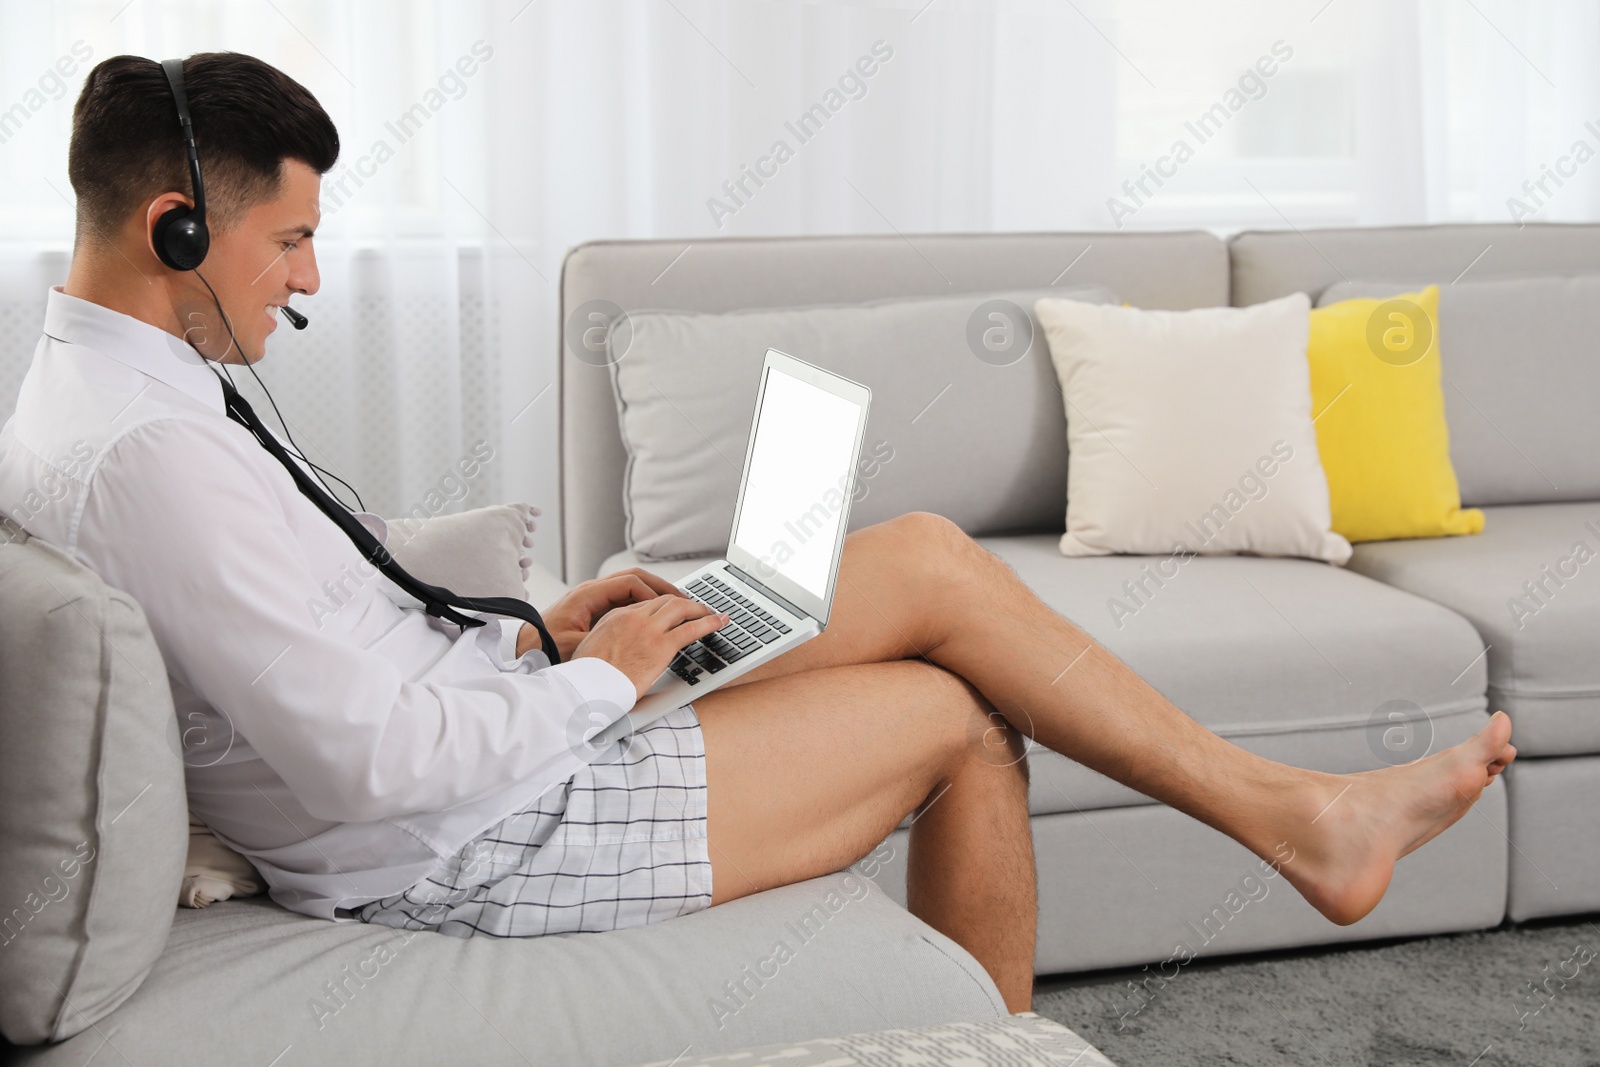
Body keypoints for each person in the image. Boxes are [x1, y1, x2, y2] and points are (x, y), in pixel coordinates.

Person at [0, 52, 1514, 1014]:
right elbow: (363, 767)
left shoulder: (118, 399)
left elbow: (327, 597)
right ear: (175, 231)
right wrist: (603, 686)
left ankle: (1301, 820)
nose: (308, 280)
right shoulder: (146, 456)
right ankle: (1221, 890)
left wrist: (544, 617)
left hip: (499, 718)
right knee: (957, 721)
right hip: (463, 837)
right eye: (291, 239)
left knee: (919, 551)